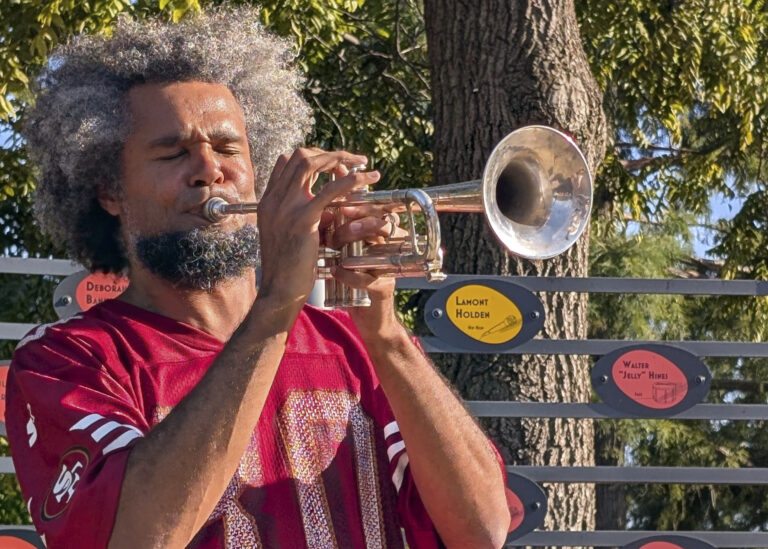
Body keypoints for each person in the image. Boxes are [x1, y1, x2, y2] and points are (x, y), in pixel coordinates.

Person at [5, 7, 512, 549]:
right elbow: (134, 537)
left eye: (227, 149)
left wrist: (385, 332)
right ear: (109, 191)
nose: (208, 169)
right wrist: (276, 306)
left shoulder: (356, 346)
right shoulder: (68, 360)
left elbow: (483, 531)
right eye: (173, 153)